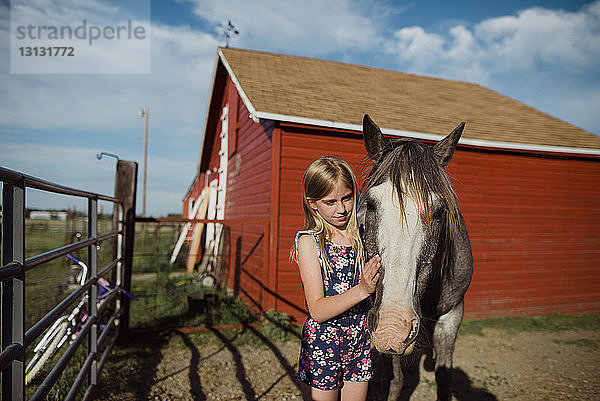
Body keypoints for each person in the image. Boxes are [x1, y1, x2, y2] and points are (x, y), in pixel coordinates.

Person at [290, 156, 381, 401]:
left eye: (347, 198)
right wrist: (363, 290)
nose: (341, 209)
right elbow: (317, 310)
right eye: (330, 202)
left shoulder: (364, 238)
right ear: (313, 204)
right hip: (323, 345)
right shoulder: (310, 243)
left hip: (360, 341)